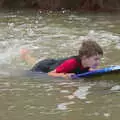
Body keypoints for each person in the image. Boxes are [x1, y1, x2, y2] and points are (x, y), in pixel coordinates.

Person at [20, 40, 103, 79]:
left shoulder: (86, 63)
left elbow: (84, 69)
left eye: (99, 59)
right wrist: (63, 76)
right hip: (45, 67)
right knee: (32, 70)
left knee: (34, 62)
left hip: (55, 63)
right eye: (96, 59)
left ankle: (25, 55)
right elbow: (50, 74)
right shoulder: (72, 63)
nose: (98, 62)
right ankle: (25, 55)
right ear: (85, 58)